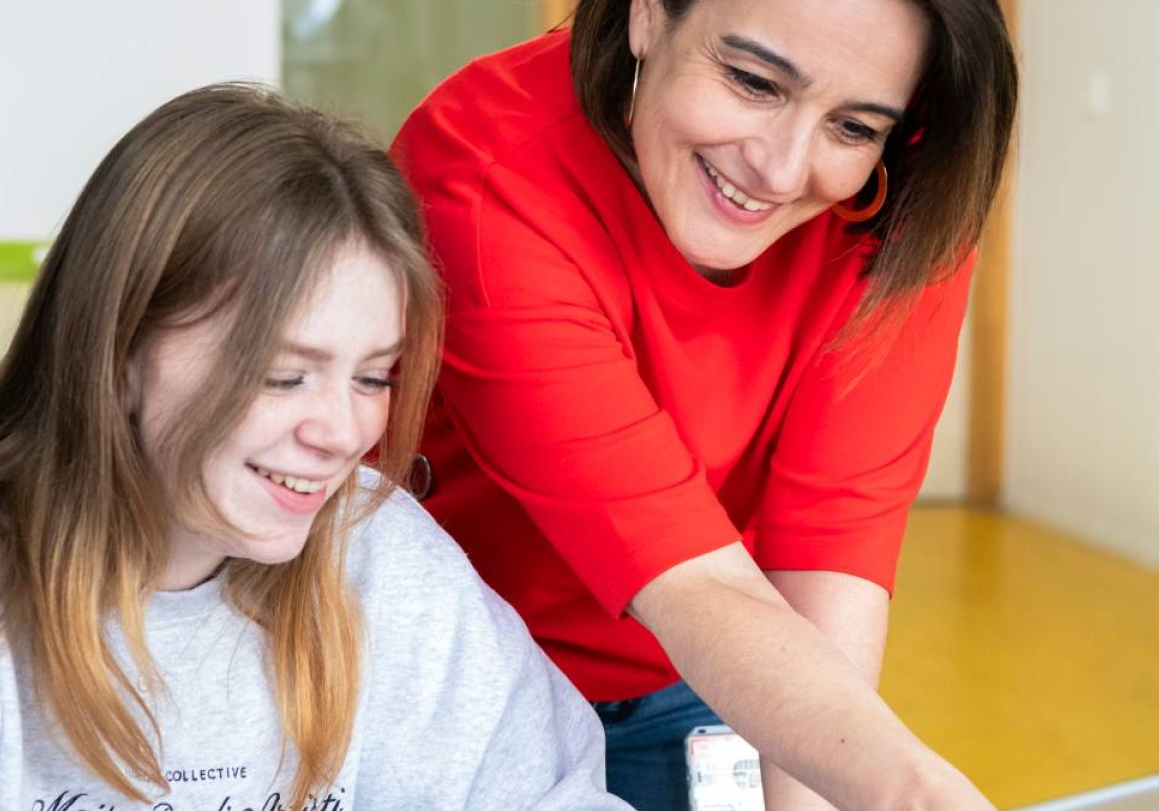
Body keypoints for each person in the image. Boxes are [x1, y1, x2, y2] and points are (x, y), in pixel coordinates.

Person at [0, 84, 628, 810]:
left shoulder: (377, 553)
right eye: (282, 374)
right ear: (118, 351)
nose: (344, 433)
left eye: (372, 377)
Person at [391, 0, 1018, 807]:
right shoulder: (486, 171)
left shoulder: (913, 198)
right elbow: (684, 577)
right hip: (458, 678)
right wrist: (907, 787)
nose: (783, 170)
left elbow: (830, 552)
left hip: (713, 666)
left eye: (855, 128)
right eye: (754, 80)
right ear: (648, 14)